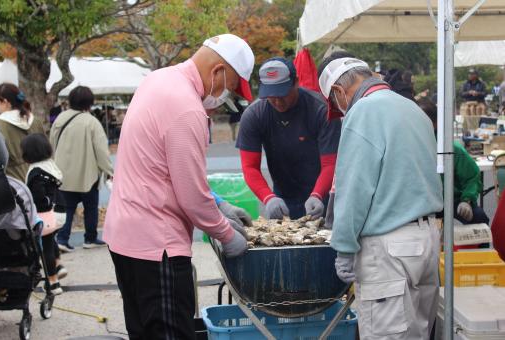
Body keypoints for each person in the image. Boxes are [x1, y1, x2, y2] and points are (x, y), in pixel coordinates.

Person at [102, 33, 253, 339]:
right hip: (158, 244)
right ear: (218, 72)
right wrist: (225, 234)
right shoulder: (187, 108)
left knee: (142, 330)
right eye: (231, 88)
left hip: (125, 236)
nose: (226, 97)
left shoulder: (158, 80)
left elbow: (164, 167)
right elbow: (191, 197)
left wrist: (219, 202)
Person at [319, 57, 443, 339]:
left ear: (339, 91)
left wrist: (344, 247)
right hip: (426, 239)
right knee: (418, 333)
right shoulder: (411, 109)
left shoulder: (363, 112)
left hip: (389, 246)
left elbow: (354, 188)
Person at [237, 57, 341, 220]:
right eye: (271, 95)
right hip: (282, 196)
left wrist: (318, 195)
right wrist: (268, 198)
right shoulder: (254, 115)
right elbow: (250, 167)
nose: (278, 101)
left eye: (283, 93)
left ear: (296, 83)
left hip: (324, 194)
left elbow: (330, 163)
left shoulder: (321, 110)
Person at [50, 86, 113, 252]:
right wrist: (110, 171)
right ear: (89, 103)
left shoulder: (60, 119)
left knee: (67, 208)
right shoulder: (91, 122)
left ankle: (62, 239)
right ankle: (90, 238)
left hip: (62, 174)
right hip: (87, 174)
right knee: (90, 207)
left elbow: (52, 144)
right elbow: (101, 150)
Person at [418, 98, 489, 227]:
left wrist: (466, 200)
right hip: (420, 204)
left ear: (435, 123)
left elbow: (472, 177)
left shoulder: (451, 148)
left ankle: (481, 247)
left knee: (479, 218)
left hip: (451, 200)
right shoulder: (408, 146)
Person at [21, 133, 67, 295]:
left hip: (47, 214)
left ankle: (53, 282)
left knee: (45, 247)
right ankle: (59, 264)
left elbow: (38, 198)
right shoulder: (50, 165)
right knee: (51, 239)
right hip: (60, 211)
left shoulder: (35, 173)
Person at [0, 83, 46, 182]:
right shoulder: (35, 121)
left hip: (15, 182)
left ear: (5, 102)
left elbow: (1, 158)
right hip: (39, 177)